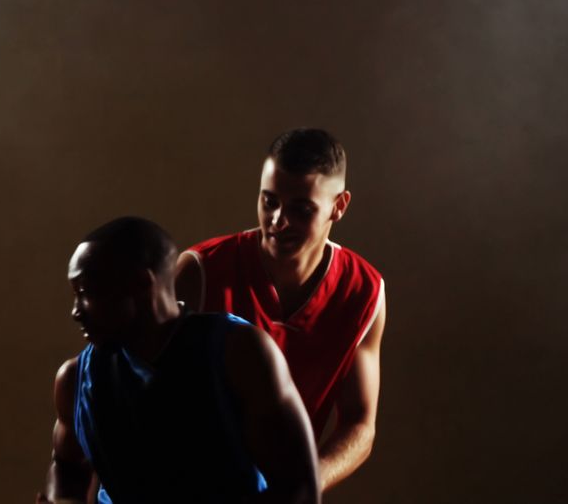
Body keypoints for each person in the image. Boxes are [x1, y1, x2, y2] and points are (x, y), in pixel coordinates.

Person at [41, 217, 321, 504]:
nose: (76, 311)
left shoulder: (239, 352)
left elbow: (299, 488)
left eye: (86, 293)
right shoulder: (75, 380)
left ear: (141, 284)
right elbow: (66, 466)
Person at [175, 129, 386, 492]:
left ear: (339, 205)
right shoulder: (201, 272)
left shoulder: (364, 291)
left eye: (300, 209)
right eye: (269, 201)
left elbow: (359, 424)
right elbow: (134, 397)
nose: (277, 220)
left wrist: (301, 485)